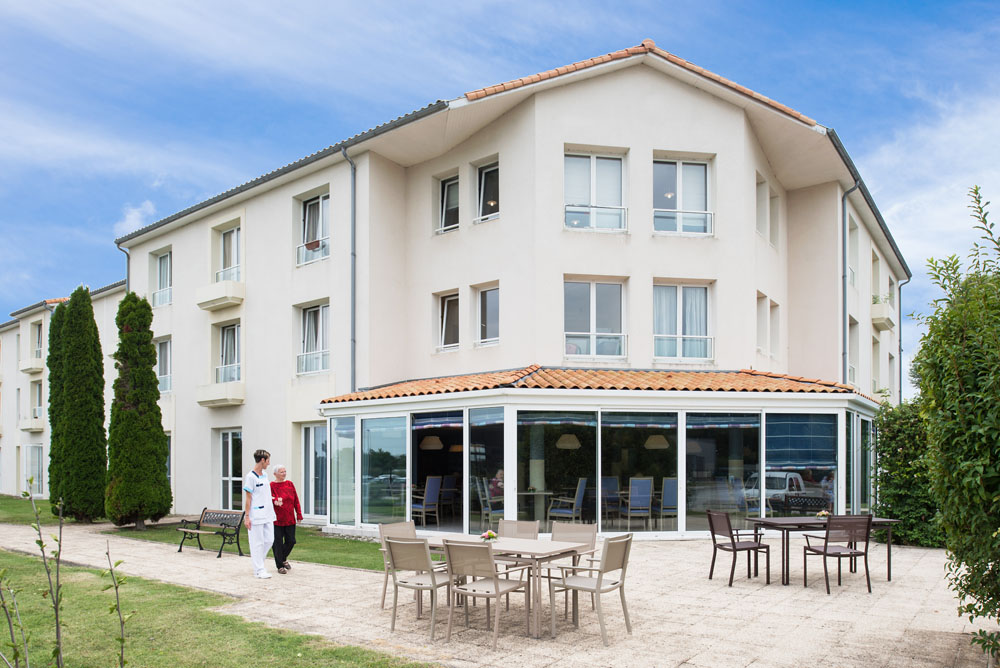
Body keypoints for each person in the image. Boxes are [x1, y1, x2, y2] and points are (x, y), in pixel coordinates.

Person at [243, 449, 277, 579]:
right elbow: (248, 498)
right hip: (256, 514)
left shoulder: (265, 475)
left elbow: (264, 493)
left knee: (269, 540)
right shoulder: (250, 477)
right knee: (257, 542)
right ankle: (259, 569)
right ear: (262, 460)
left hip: (268, 513)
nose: (268, 463)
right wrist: (247, 517)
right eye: (268, 460)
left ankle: (258, 564)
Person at [270, 464, 303, 575]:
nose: (284, 473)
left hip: (289, 518)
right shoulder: (271, 485)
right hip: (276, 520)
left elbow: (295, 500)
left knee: (291, 541)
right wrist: (274, 500)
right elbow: (268, 499)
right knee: (277, 542)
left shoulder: (289, 484)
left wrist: (299, 514)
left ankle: (282, 558)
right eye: (281, 472)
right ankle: (280, 565)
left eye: (285, 471)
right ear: (275, 474)